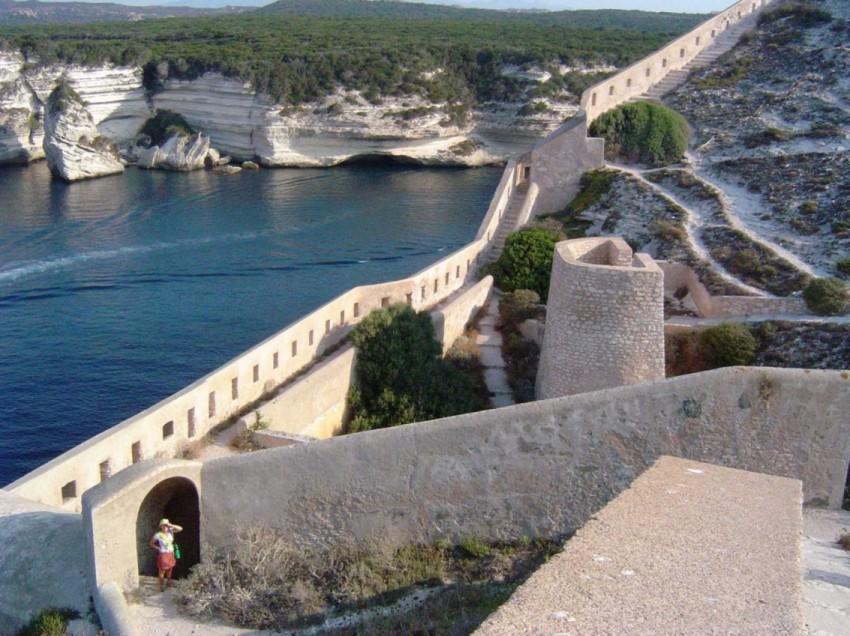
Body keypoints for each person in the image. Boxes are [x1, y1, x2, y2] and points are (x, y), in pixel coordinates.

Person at [149, 518, 183, 591]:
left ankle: (169, 581)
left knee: (170, 568)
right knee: (162, 570)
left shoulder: (171, 532)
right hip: (163, 554)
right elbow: (151, 544)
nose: (165, 527)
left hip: (170, 553)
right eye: (163, 526)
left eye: (166, 526)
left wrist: (170, 525)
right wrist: (158, 548)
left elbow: (180, 528)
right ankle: (161, 585)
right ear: (161, 527)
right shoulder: (158, 535)